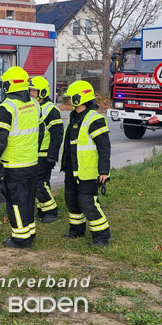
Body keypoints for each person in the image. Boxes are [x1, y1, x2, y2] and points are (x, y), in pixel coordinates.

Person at [0, 66, 41, 248]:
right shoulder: (35, 104)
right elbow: (39, 132)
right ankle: (29, 233)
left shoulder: (6, 108)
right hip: (32, 162)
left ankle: (20, 239)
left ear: (8, 85)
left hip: (14, 165)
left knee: (16, 202)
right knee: (28, 200)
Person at [60, 80, 112, 247]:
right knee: (71, 201)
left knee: (88, 203)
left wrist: (104, 171)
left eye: (71, 97)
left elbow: (104, 147)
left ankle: (102, 237)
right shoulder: (74, 117)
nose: (68, 101)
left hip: (87, 171)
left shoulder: (94, 119)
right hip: (72, 170)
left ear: (79, 98)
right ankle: (76, 230)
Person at [29, 76, 62, 223]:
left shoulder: (51, 110)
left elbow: (57, 135)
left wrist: (52, 155)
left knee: (39, 184)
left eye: (34, 90)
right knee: (40, 184)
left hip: (45, 153)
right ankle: (42, 210)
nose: (31, 92)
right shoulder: (33, 107)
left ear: (42, 92)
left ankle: (51, 212)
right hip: (34, 153)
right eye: (30, 90)